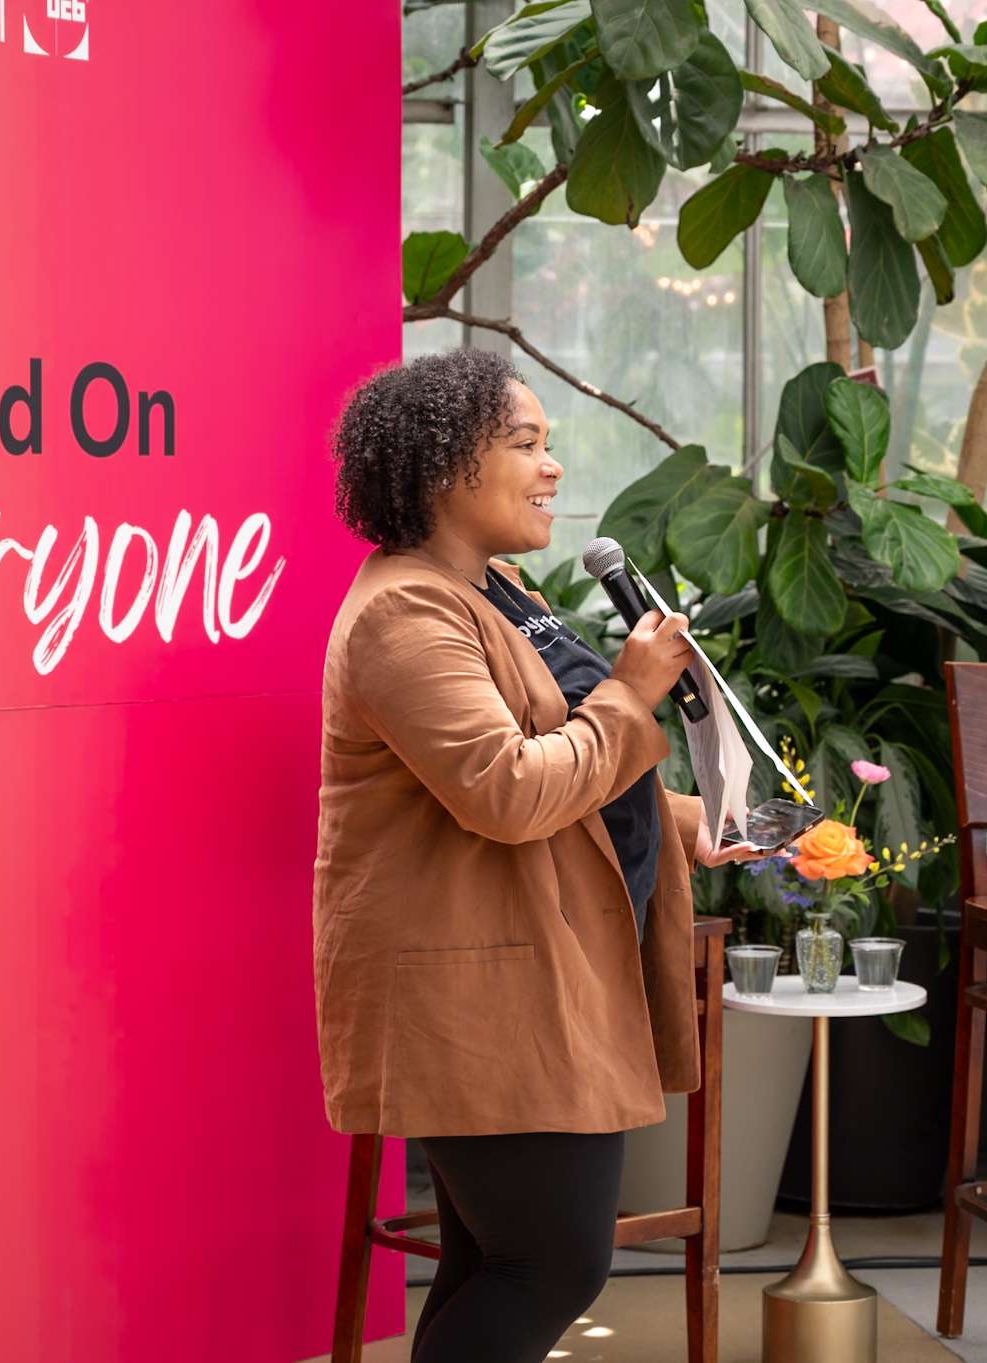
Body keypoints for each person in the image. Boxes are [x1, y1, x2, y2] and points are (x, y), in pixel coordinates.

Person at [314, 348, 767, 1363]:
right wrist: (632, 690)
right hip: (484, 992)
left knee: (501, 1263)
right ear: (446, 466)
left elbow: (565, 768)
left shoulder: (493, 591)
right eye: (525, 444)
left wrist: (692, 821)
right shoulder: (404, 613)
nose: (552, 466)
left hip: (535, 976)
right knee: (552, 1265)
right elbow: (510, 790)